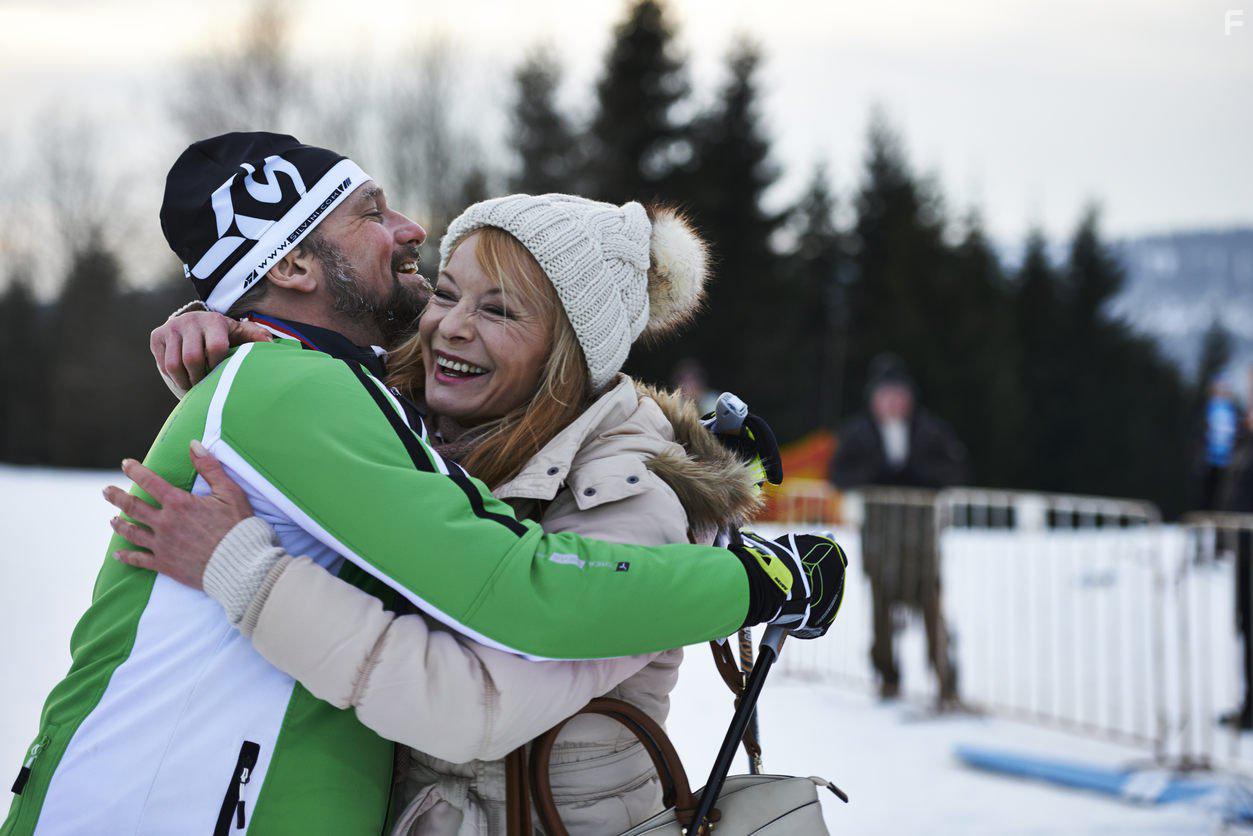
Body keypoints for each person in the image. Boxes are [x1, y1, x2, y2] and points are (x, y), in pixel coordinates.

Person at [4, 133, 844, 835]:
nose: (408, 230)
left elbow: (500, 649)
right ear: (293, 266)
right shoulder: (352, 403)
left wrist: (242, 567)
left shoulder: (628, 484)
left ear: (569, 352)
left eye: (501, 309)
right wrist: (221, 326)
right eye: (372, 215)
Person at [829, 353, 967, 704]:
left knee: (932, 607)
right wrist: (876, 477)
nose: (892, 402)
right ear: (874, 398)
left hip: (921, 541)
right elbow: (838, 475)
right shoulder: (858, 433)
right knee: (880, 609)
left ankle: (945, 680)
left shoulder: (929, 430)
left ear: (909, 397)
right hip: (879, 540)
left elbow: (955, 469)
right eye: (885, 395)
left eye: (898, 394)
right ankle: (887, 677)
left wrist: (917, 478)